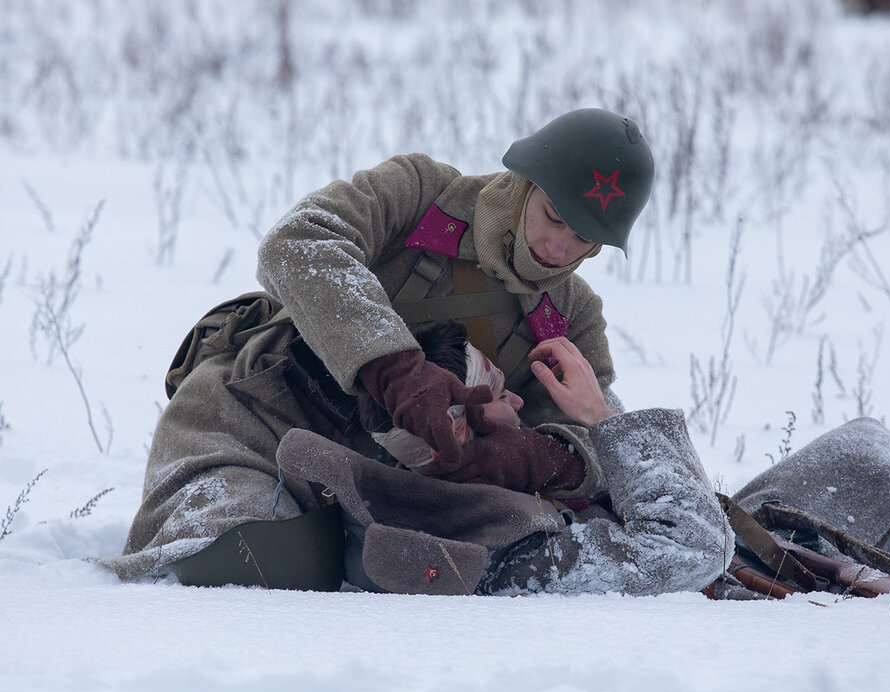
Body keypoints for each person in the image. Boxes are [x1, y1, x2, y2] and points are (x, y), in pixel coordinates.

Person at [108, 108, 656, 585]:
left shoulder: (571, 318)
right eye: (554, 217)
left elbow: (596, 443)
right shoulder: (420, 193)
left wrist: (526, 458)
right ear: (525, 183)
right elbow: (297, 243)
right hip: (256, 423)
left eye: (584, 238)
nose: (560, 247)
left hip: (386, 496)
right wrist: (395, 369)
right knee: (239, 561)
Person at [275, 320, 734, 596]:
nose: (517, 401)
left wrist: (566, 465)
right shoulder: (504, 548)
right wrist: (601, 416)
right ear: (454, 431)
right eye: (496, 391)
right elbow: (695, 547)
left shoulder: (469, 505)